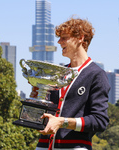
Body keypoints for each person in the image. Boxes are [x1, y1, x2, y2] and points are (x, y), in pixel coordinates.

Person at [34, 17, 110, 150]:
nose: (59, 41)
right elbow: (47, 115)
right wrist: (37, 96)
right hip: (43, 146)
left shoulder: (96, 75)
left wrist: (62, 122)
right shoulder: (58, 73)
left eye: (64, 37)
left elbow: (100, 121)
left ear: (80, 38)